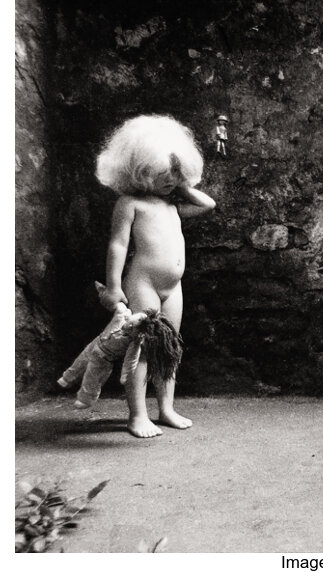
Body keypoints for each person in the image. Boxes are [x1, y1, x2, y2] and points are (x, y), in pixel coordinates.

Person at [96, 114, 216, 438]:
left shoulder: (172, 205)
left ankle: (166, 408)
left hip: (172, 287)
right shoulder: (130, 202)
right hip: (144, 283)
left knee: (169, 349)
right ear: (140, 170)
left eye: (175, 173)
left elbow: (208, 204)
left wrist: (184, 182)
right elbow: (118, 245)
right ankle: (137, 415)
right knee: (143, 349)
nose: (169, 180)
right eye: (162, 173)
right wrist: (113, 285)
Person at [58, 282, 183, 410]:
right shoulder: (123, 315)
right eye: (130, 323)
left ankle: (86, 399)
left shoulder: (135, 342)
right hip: (97, 342)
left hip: (104, 358)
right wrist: (105, 290)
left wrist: (125, 375)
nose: (127, 326)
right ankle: (67, 377)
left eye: (131, 327)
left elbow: (131, 361)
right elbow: (117, 305)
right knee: (81, 360)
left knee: (92, 377)